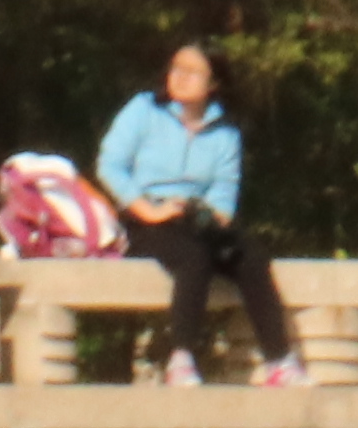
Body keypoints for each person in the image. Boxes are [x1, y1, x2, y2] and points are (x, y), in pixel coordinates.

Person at [96, 44, 297, 390]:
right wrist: (151, 210)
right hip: (145, 218)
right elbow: (110, 166)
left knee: (250, 258)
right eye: (176, 67)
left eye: (193, 71)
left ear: (214, 82)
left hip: (196, 220)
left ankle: (279, 361)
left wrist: (212, 219)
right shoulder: (144, 110)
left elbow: (223, 192)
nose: (180, 77)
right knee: (194, 258)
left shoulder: (225, 132)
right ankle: (181, 358)